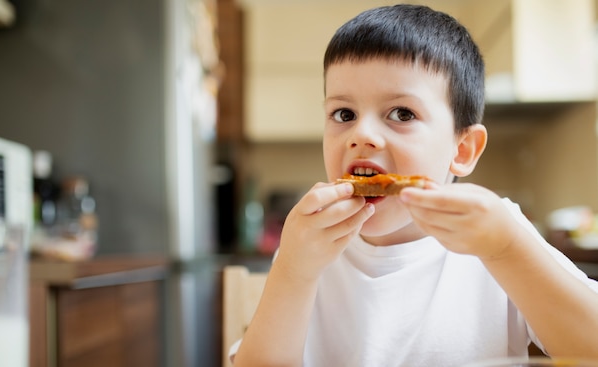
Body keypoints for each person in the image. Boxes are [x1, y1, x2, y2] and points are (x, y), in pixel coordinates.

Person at [231, 4, 598, 367]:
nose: (362, 135)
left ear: (463, 149)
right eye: (344, 114)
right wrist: (293, 270)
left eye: (402, 113)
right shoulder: (306, 249)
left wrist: (506, 249)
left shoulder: (499, 236)